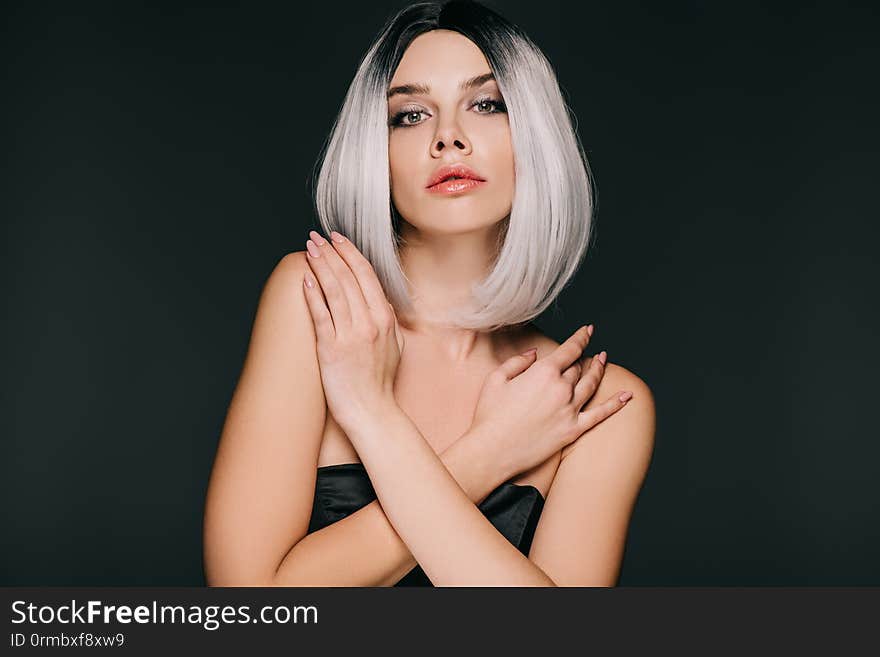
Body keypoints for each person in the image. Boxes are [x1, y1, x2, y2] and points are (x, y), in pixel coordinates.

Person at [203, 0, 655, 587]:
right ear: (376, 151)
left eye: (487, 105)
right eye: (410, 115)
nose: (448, 139)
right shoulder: (318, 301)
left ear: (536, 138)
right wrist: (485, 455)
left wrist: (370, 409)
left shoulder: (598, 404)